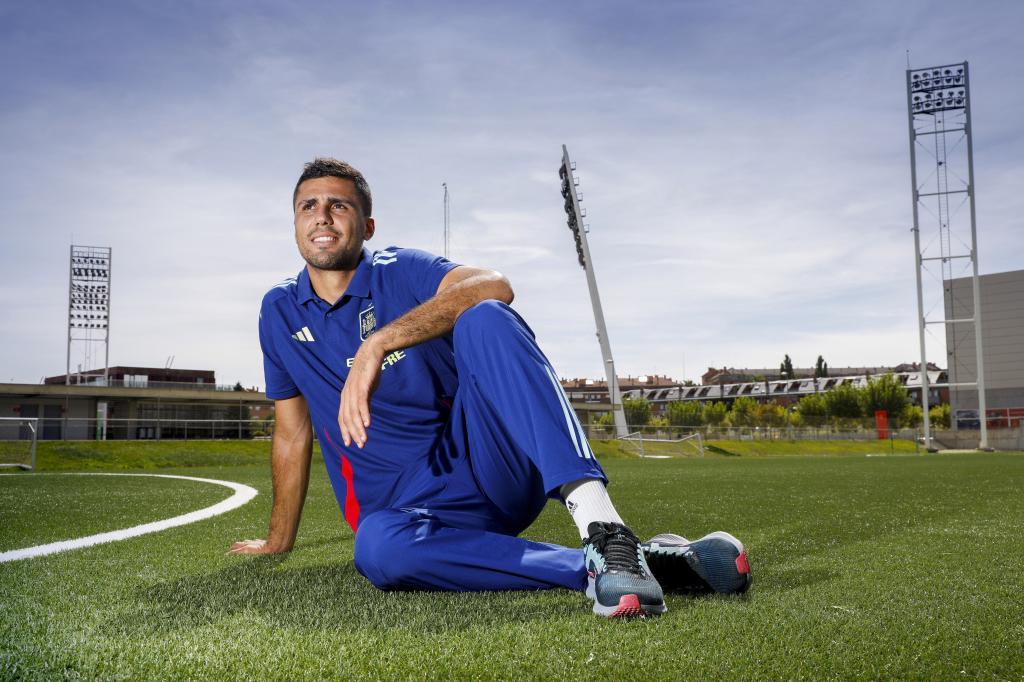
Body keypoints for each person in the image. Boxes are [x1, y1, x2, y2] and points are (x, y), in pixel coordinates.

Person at [230, 157, 751, 618]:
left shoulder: (399, 270)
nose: (321, 216)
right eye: (308, 207)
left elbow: (495, 284)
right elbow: (292, 434)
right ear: (295, 223)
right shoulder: (277, 311)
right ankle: (616, 565)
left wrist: (379, 343)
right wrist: (278, 541)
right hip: (402, 513)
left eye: (338, 206)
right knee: (379, 554)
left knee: (484, 317)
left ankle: (602, 525)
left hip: (489, 470)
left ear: (366, 225)